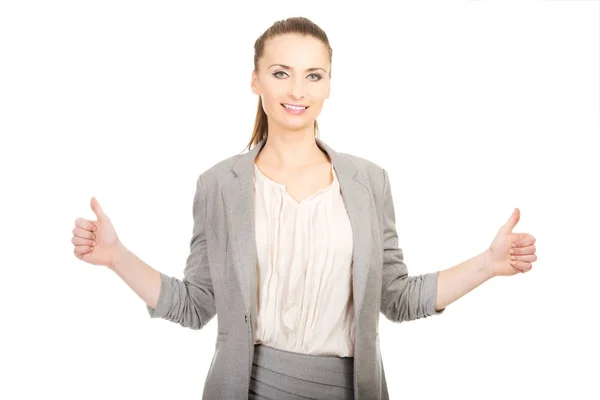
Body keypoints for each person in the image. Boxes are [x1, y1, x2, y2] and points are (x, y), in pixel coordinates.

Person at [71, 16, 538, 400]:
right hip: (247, 390)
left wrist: (489, 264)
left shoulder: (368, 182)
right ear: (255, 80)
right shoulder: (218, 185)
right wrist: (117, 258)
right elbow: (195, 305)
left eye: (313, 75)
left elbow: (395, 298)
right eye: (281, 73)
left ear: (329, 84)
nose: (297, 90)